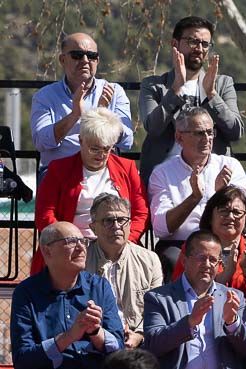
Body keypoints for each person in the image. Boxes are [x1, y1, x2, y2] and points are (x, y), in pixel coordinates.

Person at [169, 186, 246, 367]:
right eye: (224, 211)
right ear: (210, 216)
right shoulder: (192, 249)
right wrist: (221, 279)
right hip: (201, 323)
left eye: (237, 212)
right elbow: (177, 294)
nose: (231, 217)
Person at [33, 108, 148, 273]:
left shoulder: (127, 168)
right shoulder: (58, 169)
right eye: (94, 149)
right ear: (81, 141)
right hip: (71, 247)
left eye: (107, 149)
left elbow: (140, 212)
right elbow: (45, 215)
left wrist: (126, 240)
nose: (101, 154)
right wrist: (69, 242)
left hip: (117, 245)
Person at [139, 16, 243, 186]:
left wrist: (211, 95)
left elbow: (235, 131)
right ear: (175, 44)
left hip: (212, 172)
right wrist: (175, 89)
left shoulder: (223, 84)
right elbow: (153, 128)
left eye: (205, 44)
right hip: (166, 172)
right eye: (193, 41)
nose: (199, 48)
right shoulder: (154, 85)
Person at [141, 231, 246, 369]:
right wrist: (189, 322)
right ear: (184, 261)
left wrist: (233, 323)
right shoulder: (158, 298)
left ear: (219, 264)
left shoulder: (233, 297)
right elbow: (152, 345)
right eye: (201, 258)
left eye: (213, 260)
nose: (207, 264)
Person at [149, 107, 246, 277]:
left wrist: (221, 195)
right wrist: (194, 198)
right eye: (199, 133)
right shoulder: (162, 173)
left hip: (223, 242)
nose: (207, 139)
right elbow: (161, 228)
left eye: (210, 132)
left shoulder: (230, 166)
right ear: (179, 137)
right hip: (182, 244)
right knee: (172, 259)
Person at [11, 222, 124, 369]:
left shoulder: (99, 286)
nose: (81, 247)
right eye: (71, 241)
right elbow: (23, 360)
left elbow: (120, 350)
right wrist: (69, 337)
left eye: (83, 241)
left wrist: (95, 331)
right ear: (47, 251)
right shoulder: (26, 293)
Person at [31, 32, 134, 175]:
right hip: (60, 172)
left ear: (97, 61)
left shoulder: (114, 92)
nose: (85, 60)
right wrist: (74, 115)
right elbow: (41, 141)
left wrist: (102, 117)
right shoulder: (45, 96)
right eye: (77, 55)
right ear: (62, 60)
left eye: (91, 56)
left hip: (103, 172)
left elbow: (127, 141)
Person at [83, 194, 163, 349]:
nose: (116, 226)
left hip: (138, 341)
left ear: (129, 224)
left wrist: (139, 334)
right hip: (91, 341)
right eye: (108, 220)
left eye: (121, 220)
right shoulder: (81, 260)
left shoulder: (150, 260)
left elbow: (155, 307)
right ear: (93, 227)